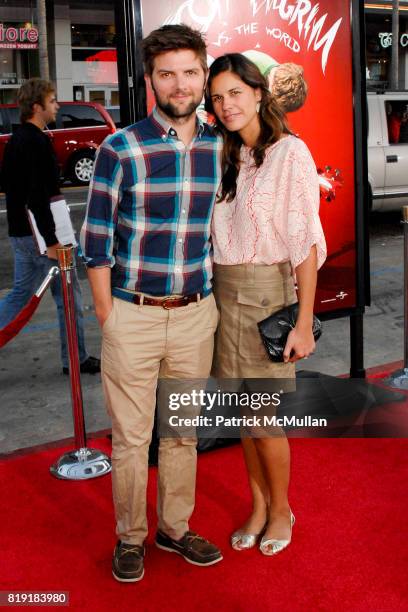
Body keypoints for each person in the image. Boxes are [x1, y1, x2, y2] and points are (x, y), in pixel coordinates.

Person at [80, 24, 223, 582]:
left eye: (190, 72)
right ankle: (131, 537)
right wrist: (107, 318)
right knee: (132, 439)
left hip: (196, 313)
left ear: (203, 76)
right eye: (168, 73)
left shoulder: (220, 145)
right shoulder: (121, 147)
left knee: (183, 432)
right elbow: (95, 241)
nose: (180, 84)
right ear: (150, 81)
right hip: (131, 315)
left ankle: (175, 528)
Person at [206, 54, 326, 556]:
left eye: (235, 92)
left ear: (258, 93)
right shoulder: (223, 154)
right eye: (217, 97)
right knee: (242, 418)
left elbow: (305, 242)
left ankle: (281, 510)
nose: (226, 104)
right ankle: (257, 505)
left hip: (267, 299)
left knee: (264, 418)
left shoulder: (290, 153)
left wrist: (302, 322)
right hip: (222, 299)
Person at [0, 78, 100, 375]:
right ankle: (76, 358)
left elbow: (13, 187)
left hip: (23, 233)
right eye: (53, 100)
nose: (57, 105)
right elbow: (38, 197)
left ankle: (76, 357)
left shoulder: (16, 140)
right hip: (45, 237)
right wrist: (53, 241)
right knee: (69, 296)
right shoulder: (36, 141)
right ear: (36, 107)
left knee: (20, 294)